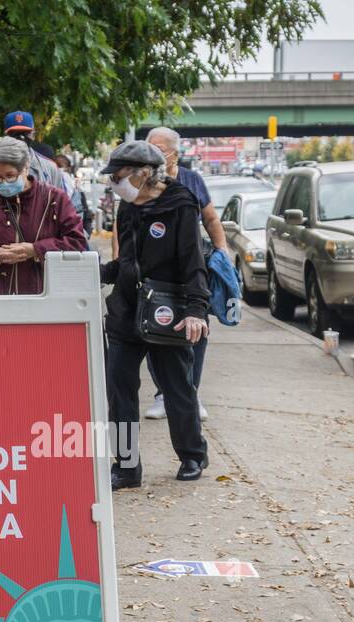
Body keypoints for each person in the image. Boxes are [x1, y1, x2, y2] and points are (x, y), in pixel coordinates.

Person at [99, 141, 209, 488]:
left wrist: (196, 310)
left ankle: (192, 455)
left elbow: (194, 263)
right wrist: (98, 272)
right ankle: (127, 466)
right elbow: (127, 262)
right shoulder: (128, 208)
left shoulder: (180, 205)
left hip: (167, 310)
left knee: (178, 387)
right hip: (126, 311)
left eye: (118, 177)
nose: (115, 184)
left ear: (143, 174)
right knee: (120, 391)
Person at [131, 126, 230, 421]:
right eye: (149, 150)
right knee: (152, 329)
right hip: (151, 274)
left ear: (175, 152)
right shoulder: (140, 183)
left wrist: (222, 251)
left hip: (188, 270)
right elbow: (123, 227)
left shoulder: (191, 181)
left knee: (195, 332)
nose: (153, 156)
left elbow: (211, 219)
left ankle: (190, 391)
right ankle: (163, 393)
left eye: (159, 151)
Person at [0, 137, 87, 295]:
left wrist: (36, 249)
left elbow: (77, 242)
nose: (4, 182)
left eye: (10, 175)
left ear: (26, 168)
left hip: (47, 297)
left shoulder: (55, 199)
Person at [0, 111, 81, 228]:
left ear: (33, 135)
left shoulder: (49, 168)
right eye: (15, 134)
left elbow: (64, 211)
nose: (21, 138)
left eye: (25, 133)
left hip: (38, 246)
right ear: (6, 135)